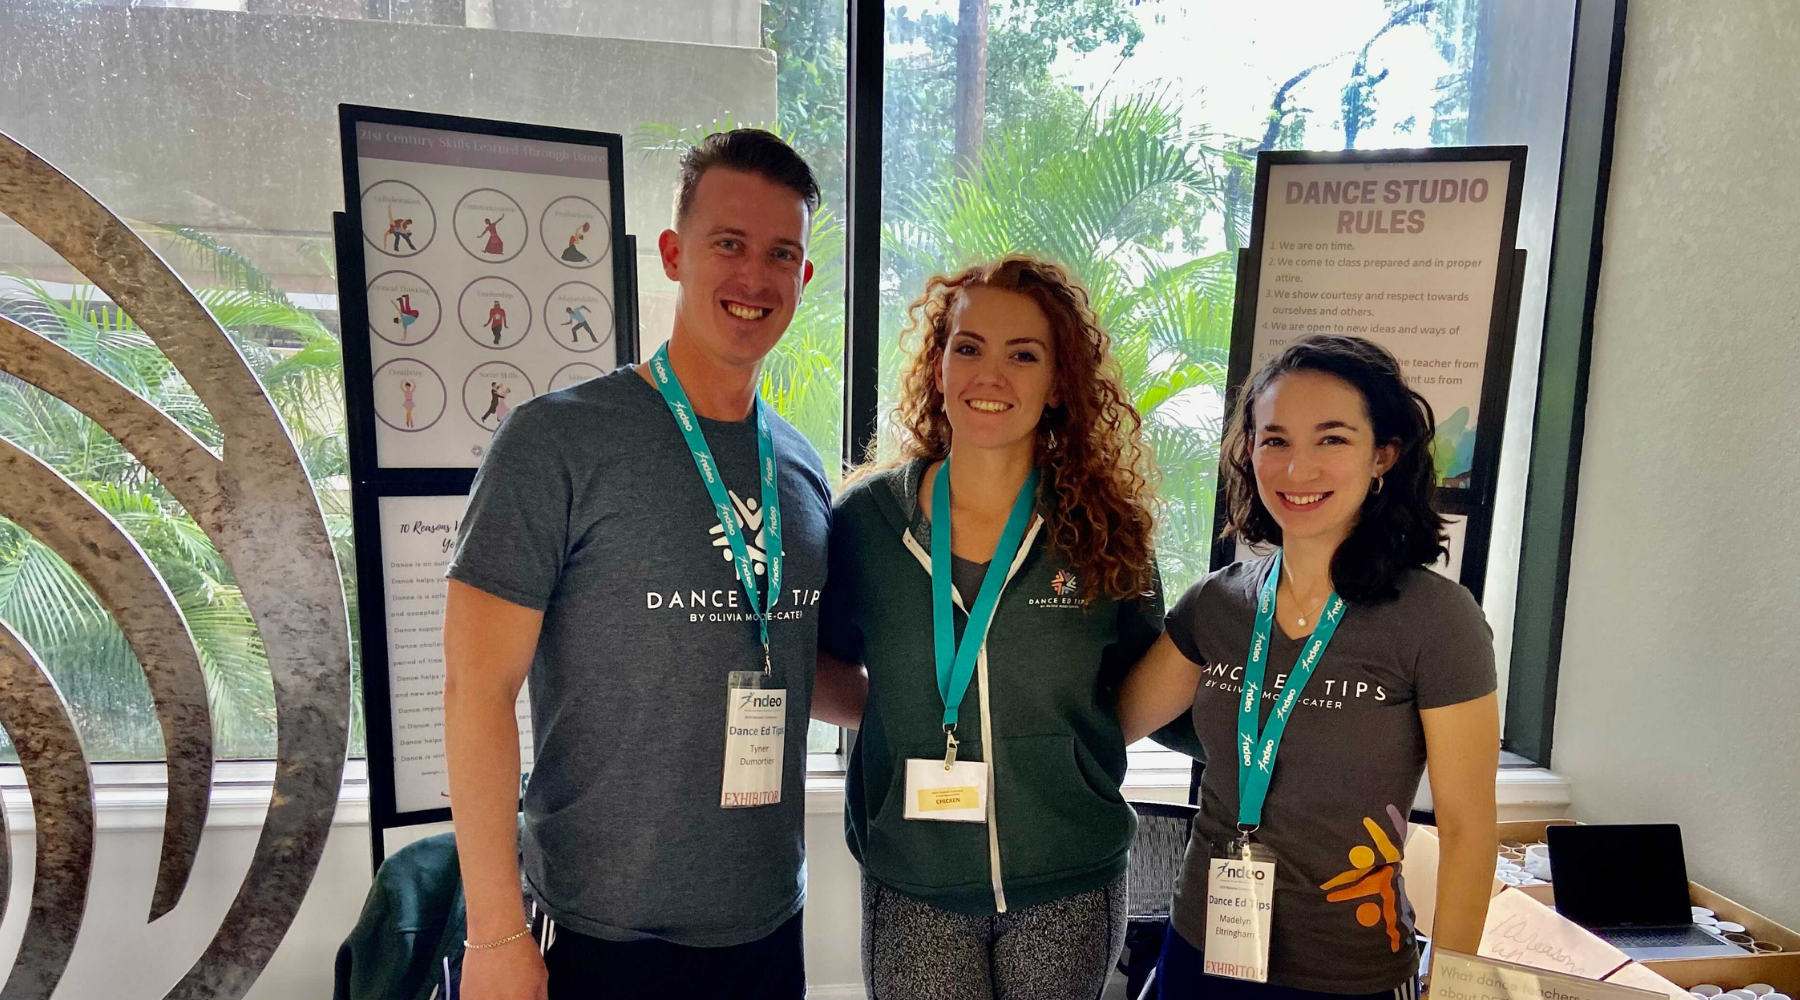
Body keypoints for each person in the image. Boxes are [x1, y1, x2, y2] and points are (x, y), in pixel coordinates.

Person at [445, 129, 847, 1000]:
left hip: (767, 922)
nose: (754, 278)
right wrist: (494, 934)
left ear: (804, 279)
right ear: (673, 254)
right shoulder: (558, 440)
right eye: (728, 244)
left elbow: (810, 666)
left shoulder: (803, 470)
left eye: (782, 254)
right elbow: (476, 691)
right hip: (599, 932)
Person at [816, 255, 1165, 1000]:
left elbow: (1143, 681)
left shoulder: (1105, 532)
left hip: (1066, 878)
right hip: (915, 881)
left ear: (1061, 381)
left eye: (1024, 355)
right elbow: (822, 665)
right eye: (968, 347)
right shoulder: (868, 525)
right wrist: (899, 716)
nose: (990, 376)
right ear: (938, 365)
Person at [1117, 334, 1499, 1000]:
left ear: (1382, 456)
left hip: (1346, 970)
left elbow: (1469, 828)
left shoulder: (1436, 619)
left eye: (1331, 440)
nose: (1298, 468)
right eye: (1275, 440)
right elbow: (1112, 720)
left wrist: (1455, 989)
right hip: (1201, 947)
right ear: (1249, 451)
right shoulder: (1217, 603)